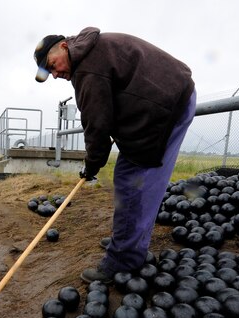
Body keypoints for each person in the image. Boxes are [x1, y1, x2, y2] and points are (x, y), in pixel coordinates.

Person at [33, 27, 196, 284]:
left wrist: (92, 165)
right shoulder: (91, 51)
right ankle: (129, 243)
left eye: (52, 65)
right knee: (132, 179)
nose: (55, 74)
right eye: (49, 72)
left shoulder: (87, 68)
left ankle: (124, 258)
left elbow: (97, 125)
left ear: (64, 46)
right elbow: (107, 113)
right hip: (166, 100)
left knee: (132, 182)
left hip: (165, 106)